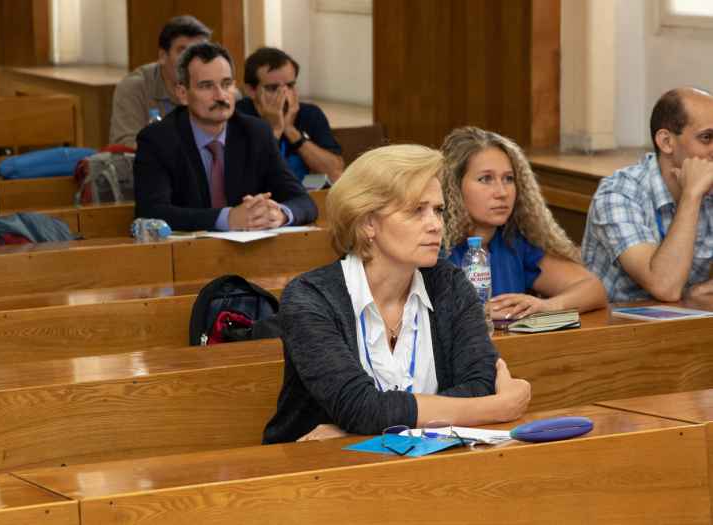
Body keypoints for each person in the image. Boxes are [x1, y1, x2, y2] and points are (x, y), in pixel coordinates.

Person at [263, 144, 531, 444]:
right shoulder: (310, 297)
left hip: (426, 462)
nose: (435, 225)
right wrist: (496, 408)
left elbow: (480, 383)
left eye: (438, 210)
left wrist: (371, 425)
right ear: (368, 223)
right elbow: (359, 407)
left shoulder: (450, 284)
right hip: (314, 467)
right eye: (416, 210)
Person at [134, 42, 317, 232]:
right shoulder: (158, 140)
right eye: (206, 86)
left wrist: (279, 214)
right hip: (188, 248)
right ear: (182, 94)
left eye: (226, 84)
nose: (221, 96)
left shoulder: (256, 132)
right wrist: (226, 218)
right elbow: (151, 212)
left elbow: (303, 201)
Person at [441, 127, 607, 320]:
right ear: (454, 186)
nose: (502, 192)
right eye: (486, 179)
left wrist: (546, 306)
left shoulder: (514, 242)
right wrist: (480, 312)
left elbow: (593, 289)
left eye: (508, 179)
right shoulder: (435, 247)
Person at [583, 87, 713, 302]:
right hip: (616, 320)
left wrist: (695, 293)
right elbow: (665, 286)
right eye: (706, 138)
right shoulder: (618, 194)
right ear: (666, 142)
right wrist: (691, 196)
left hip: (684, 317)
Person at [237, 47, 344, 183]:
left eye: (290, 85)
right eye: (273, 88)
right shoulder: (236, 117)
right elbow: (249, 178)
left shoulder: (310, 113)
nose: (284, 95)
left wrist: (289, 129)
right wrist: (275, 129)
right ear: (251, 91)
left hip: (305, 190)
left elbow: (335, 171)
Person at [109, 15, 211, 148]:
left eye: (199, 54)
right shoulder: (135, 88)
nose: (192, 61)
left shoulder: (218, 87)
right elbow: (126, 145)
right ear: (163, 56)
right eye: (183, 53)